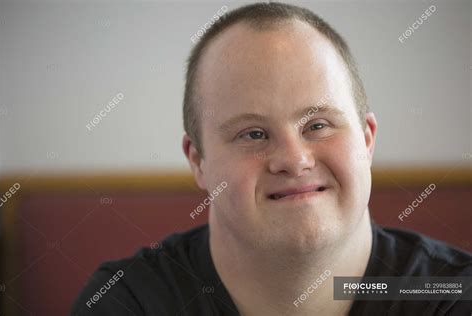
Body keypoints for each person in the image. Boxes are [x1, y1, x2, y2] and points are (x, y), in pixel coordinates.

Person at [71, 2, 472, 315]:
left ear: (367, 140)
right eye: (253, 134)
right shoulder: (128, 302)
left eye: (317, 125)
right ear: (198, 161)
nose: (294, 160)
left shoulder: (450, 295)